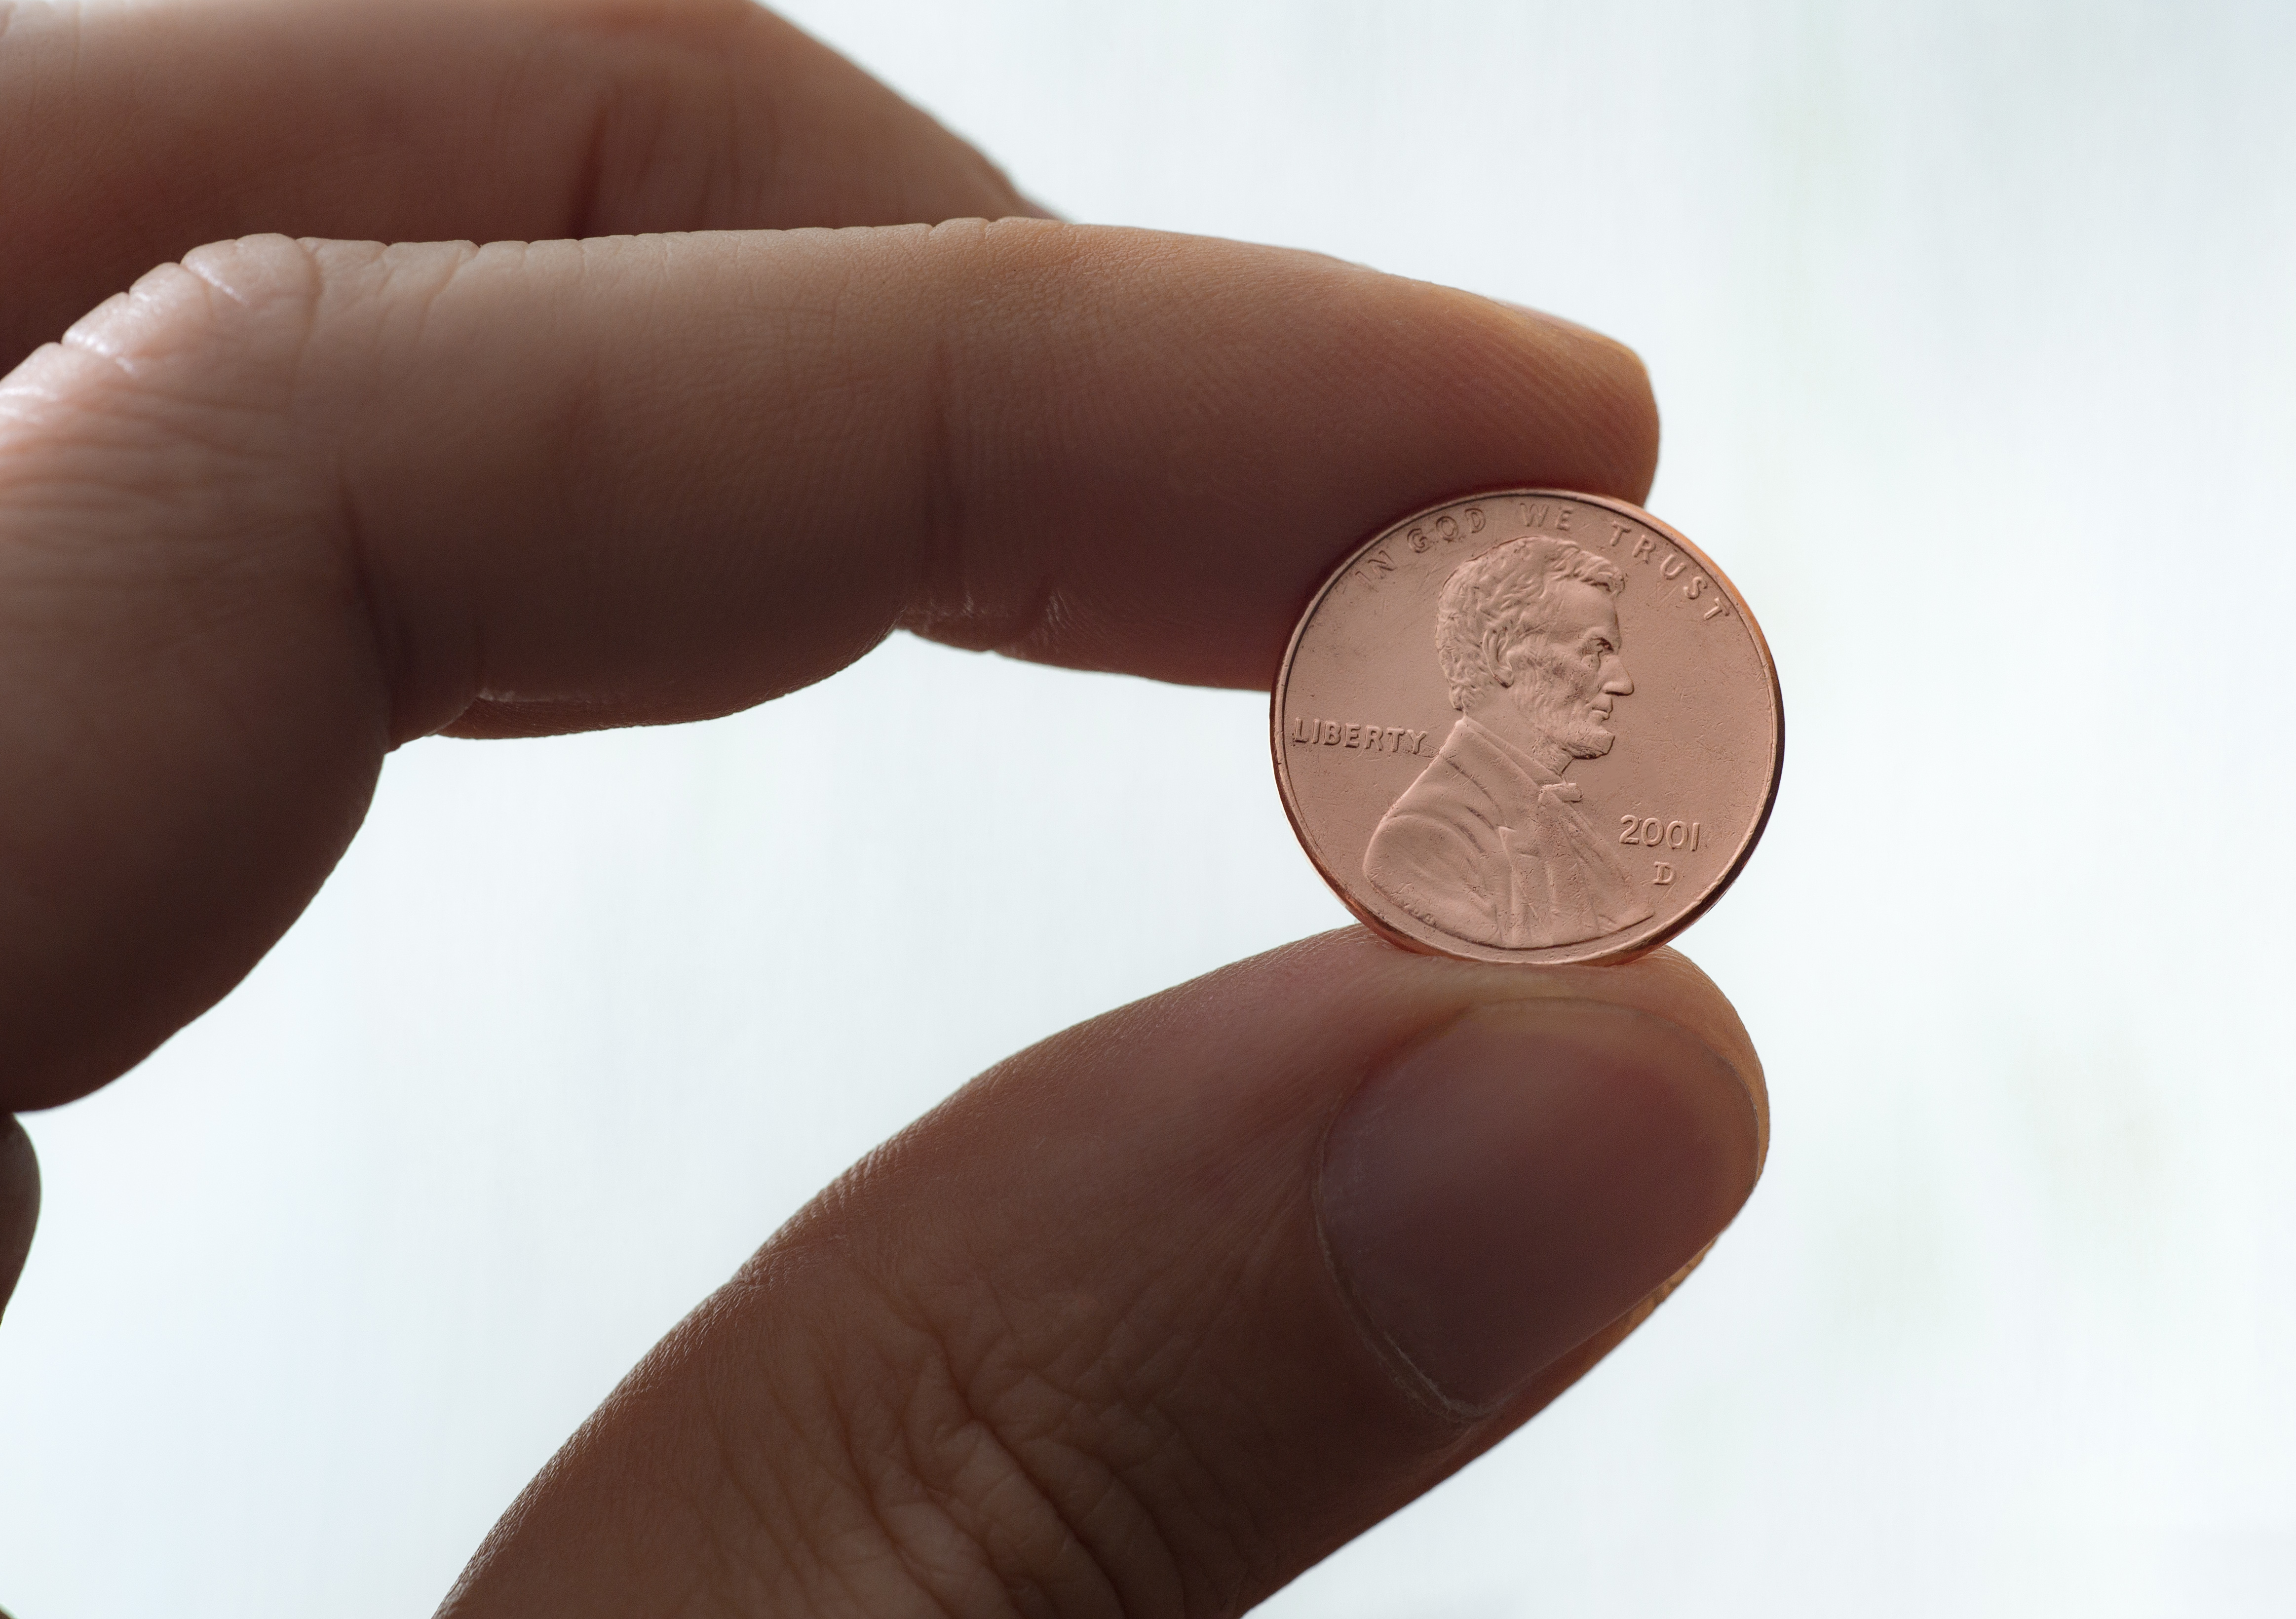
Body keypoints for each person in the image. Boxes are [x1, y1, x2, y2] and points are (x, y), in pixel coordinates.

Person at [0, 1, 1766, 1613]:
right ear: (1490, 674)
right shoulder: (1447, 845)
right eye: (1583, 659)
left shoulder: (1541, 841)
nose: (1617, 692)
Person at [1366, 535, 1653, 948]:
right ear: (1502, 654)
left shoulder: (1557, 813)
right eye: (1596, 651)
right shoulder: (1422, 839)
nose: (1622, 683)